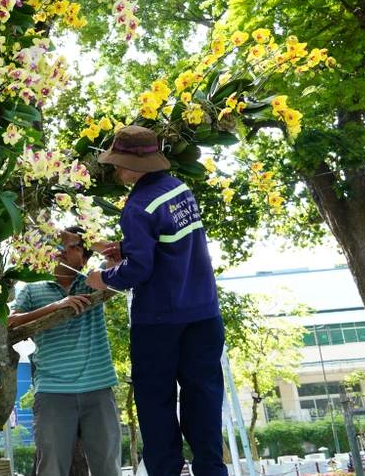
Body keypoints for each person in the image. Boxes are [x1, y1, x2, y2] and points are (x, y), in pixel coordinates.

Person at [86, 125, 227, 476]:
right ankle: (211, 470)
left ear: (133, 166)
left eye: (117, 162)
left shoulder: (137, 206)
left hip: (159, 319)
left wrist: (103, 278)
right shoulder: (180, 190)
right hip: (204, 312)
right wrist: (125, 248)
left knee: (156, 401)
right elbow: (172, 244)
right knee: (204, 397)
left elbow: (139, 270)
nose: (114, 168)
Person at [8, 226, 122, 476]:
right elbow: (11, 322)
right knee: (51, 469)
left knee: (108, 469)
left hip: (99, 389)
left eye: (74, 247)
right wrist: (57, 306)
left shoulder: (95, 280)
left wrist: (91, 240)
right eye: (58, 245)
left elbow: (125, 260)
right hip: (52, 392)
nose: (63, 250)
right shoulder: (31, 288)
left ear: (84, 259)